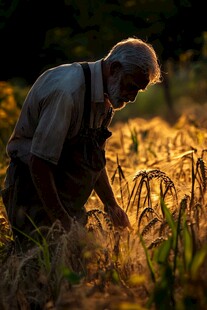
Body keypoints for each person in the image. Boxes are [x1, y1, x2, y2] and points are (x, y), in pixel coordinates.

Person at [1, 37, 161, 245]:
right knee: (40, 268)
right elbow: (39, 163)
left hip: (64, 196)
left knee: (80, 265)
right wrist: (63, 222)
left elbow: (93, 159)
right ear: (114, 68)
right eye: (131, 87)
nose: (132, 98)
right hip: (32, 193)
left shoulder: (105, 98)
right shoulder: (67, 93)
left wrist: (112, 205)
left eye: (138, 91)